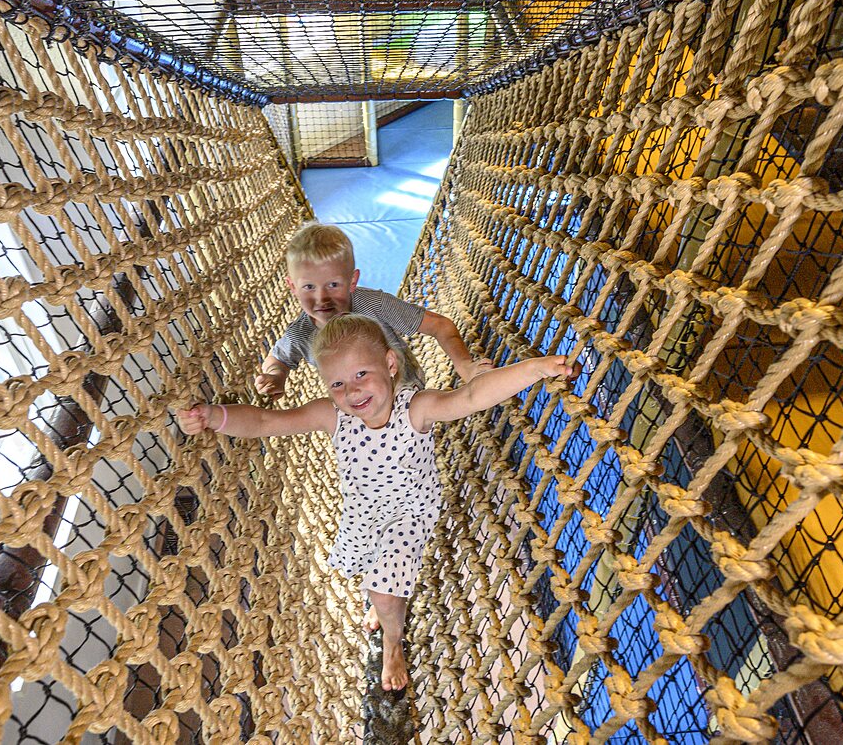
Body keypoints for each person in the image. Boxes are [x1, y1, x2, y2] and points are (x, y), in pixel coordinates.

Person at [178, 314, 575, 691]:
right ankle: (385, 602)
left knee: (383, 590)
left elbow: (471, 395)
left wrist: (533, 369)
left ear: (390, 364)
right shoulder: (333, 415)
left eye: (361, 374)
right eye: (337, 383)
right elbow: (267, 422)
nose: (351, 392)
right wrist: (215, 416)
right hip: (362, 513)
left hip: (410, 510)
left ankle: (392, 643)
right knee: (373, 575)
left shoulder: (416, 407)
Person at [255, 221, 490, 398]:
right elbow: (278, 359)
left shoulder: (373, 304)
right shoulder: (302, 333)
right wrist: (276, 376)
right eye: (309, 287)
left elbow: (440, 325)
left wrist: (464, 365)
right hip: (353, 406)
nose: (322, 298)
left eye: (333, 285)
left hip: (404, 395)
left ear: (352, 281)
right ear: (293, 287)